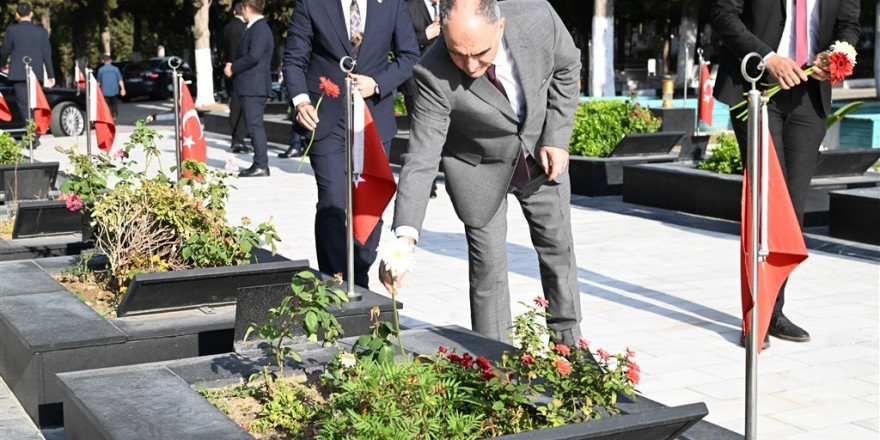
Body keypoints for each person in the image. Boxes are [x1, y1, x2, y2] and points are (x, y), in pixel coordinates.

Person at [381, 0, 583, 345]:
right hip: (478, 169)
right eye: (458, 54)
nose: (471, 65)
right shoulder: (431, 72)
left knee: (557, 252)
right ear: (443, 33)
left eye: (481, 53)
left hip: (539, 154)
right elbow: (422, 157)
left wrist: (557, 137)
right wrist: (404, 239)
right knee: (488, 273)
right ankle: (497, 365)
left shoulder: (538, 18)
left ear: (500, 27)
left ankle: (568, 350)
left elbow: (568, 67)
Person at [712, 0, 860, 345]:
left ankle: (775, 310)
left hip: (810, 95)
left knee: (790, 211)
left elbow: (849, 25)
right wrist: (768, 57)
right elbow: (722, 14)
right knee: (765, 203)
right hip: (756, 88)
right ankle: (756, 318)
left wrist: (837, 56)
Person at [283, 0, 419, 288]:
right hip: (326, 118)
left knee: (368, 201)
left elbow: (409, 56)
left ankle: (359, 279)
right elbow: (294, 59)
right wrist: (300, 100)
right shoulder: (311, 4)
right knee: (332, 200)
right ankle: (334, 282)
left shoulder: (392, 4)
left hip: (373, 119)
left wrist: (378, 83)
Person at [225, 0, 273, 177]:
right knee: (254, 125)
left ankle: (261, 164)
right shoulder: (254, 27)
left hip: (254, 86)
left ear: (245, 8)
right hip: (250, 85)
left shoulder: (259, 28)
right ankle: (260, 163)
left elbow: (254, 56)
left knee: (254, 126)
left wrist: (233, 67)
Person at [402, 0, 442, 199]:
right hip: (416, 81)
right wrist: (426, 35)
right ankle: (427, 184)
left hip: (445, 81)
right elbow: (400, 43)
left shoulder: (449, 5)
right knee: (420, 136)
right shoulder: (409, 7)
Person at [0, 2, 55, 144]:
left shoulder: (12, 30)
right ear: (31, 14)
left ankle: (32, 135)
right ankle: (36, 132)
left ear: (17, 15)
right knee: (36, 104)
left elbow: (5, 50)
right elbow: (47, 55)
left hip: (18, 73)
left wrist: (2, 65)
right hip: (36, 74)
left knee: (24, 105)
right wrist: (51, 75)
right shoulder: (41, 32)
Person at [223, 2, 249, 154]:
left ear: (234, 12)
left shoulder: (227, 28)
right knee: (242, 107)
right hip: (242, 70)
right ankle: (239, 140)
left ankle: (235, 138)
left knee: (234, 105)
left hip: (229, 69)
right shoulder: (244, 29)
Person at [96, 53, 125, 121]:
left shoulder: (100, 70)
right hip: (114, 90)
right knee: (114, 104)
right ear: (111, 60)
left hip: (105, 91)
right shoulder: (116, 69)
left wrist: (97, 91)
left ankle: (108, 118)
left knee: (107, 106)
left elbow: (98, 82)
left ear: (103, 61)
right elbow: (120, 80)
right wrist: (123, 89)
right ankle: (114, 116)